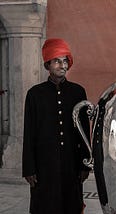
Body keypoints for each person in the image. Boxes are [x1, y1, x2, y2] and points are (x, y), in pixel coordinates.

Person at [22, 38, 91, 214]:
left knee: (71, 205)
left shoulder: (78, 92)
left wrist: (85, 164)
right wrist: (29, 168)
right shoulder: (35, 94)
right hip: (44, 164)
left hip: (72, 162)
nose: (63, 65)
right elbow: (29, 133)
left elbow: (84, 130)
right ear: (47, 65)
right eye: (57, 61)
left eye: (65, 60)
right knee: (44, 205)